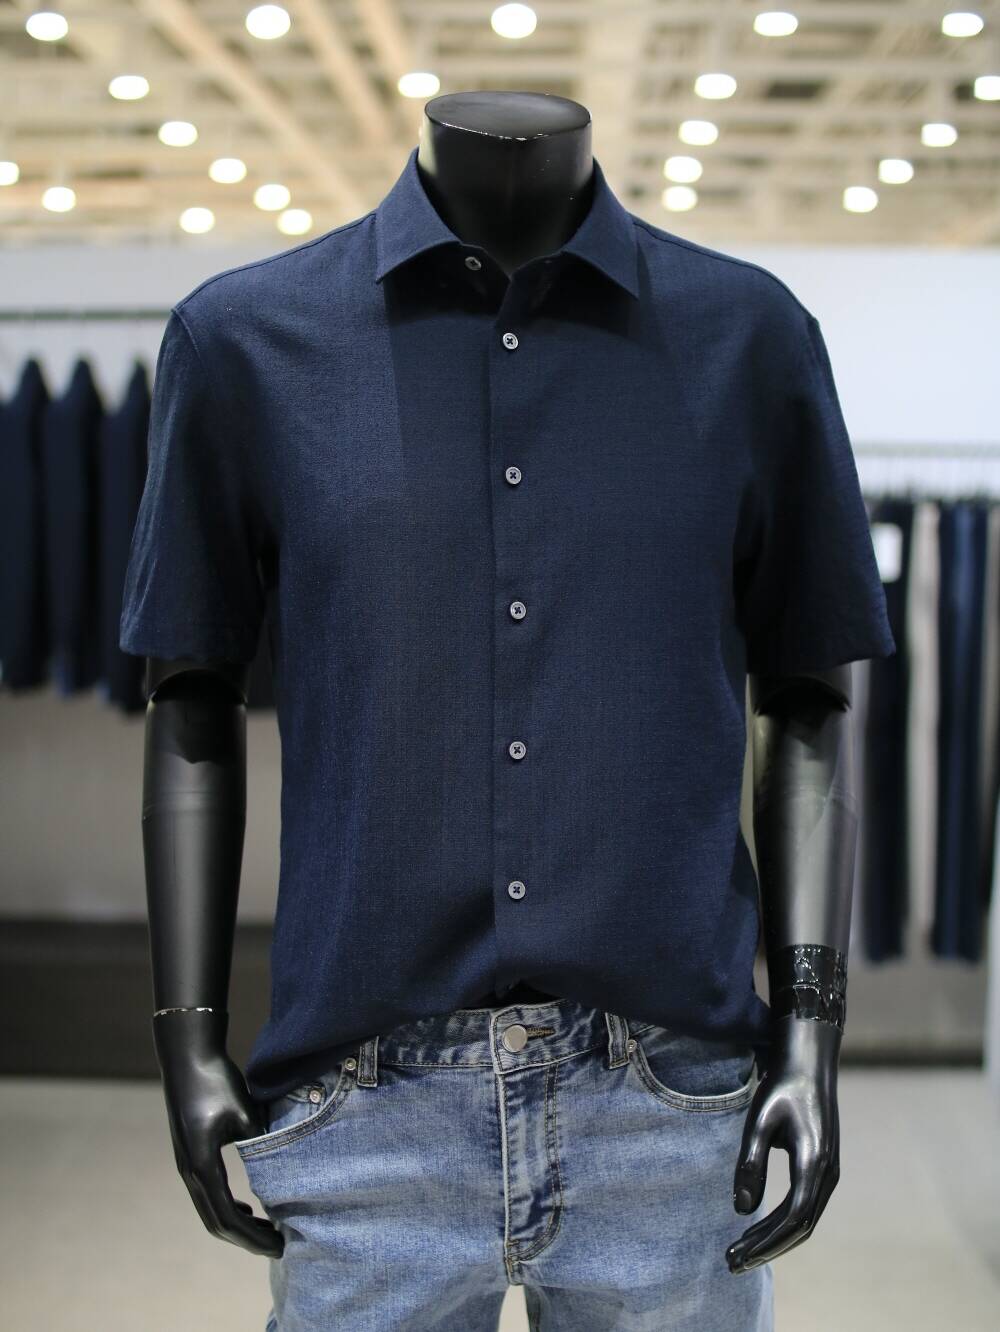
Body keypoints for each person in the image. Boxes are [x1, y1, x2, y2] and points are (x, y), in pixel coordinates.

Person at [120, 90, 895, 1331]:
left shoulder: (748, 336)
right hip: (363, 1099)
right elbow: (189, 701)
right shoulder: (246, 340)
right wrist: (185, 1037)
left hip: (671, 1101)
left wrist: (812, 1032)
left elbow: (807, 702)